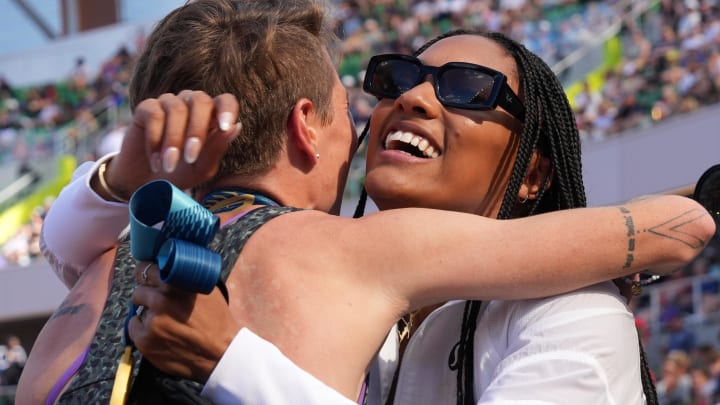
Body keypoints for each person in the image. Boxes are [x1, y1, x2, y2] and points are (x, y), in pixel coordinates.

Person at [18, 1, 715, 404]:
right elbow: (76, 240)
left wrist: (234, 361)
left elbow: (78, 250)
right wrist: (123, 176)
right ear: (303, 126)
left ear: (534, 175)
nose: (410, 96)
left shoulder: (575, 314)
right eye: (396, 77)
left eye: (467, 87)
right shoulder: (363, 294)